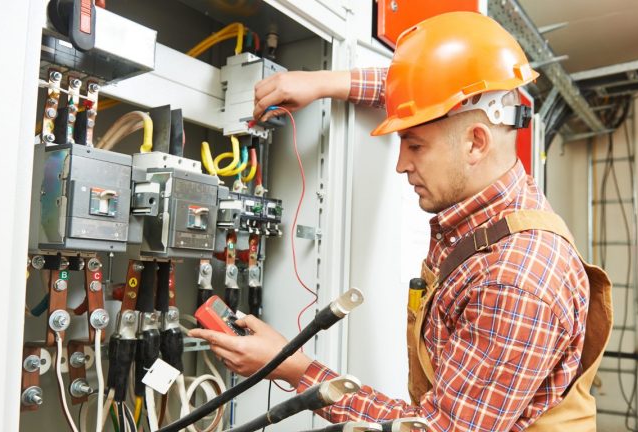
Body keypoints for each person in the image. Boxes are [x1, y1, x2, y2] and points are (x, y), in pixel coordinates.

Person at [189, 11, 613, 431]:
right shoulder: (498, 197)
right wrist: (321, 82)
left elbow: (436, 430)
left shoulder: (515, 281)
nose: (401, 164)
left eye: (415, 145)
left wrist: (294, 368)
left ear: (475, 143)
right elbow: (423, 94)